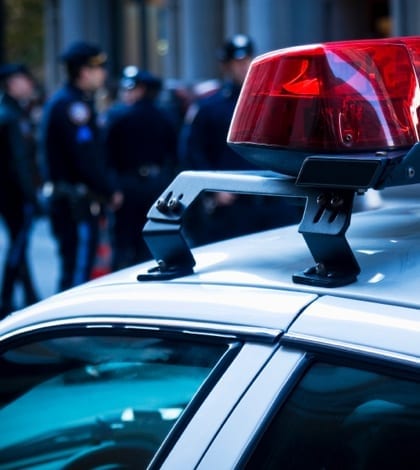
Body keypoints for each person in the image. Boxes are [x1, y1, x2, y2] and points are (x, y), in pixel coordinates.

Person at [181, 34, 303, 245]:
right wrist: (212, 189)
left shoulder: (274, 101)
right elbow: (193, 152)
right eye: (237, 63)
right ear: (227, 66)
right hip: (234, 206)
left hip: (275, 201)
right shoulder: (210, 107)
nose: (243, 67)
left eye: (247, 61)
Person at [40, 41, 123, 292]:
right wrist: (110, 191)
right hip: (75, 202)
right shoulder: (72, 106)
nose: (103, 74)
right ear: (84, 72)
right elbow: (85, 158)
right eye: (98, 68)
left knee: (76, 266)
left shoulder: (71, 101)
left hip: (73, 200)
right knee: (76, 273)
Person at [103, 66, 178, 269]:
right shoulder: (164, 116)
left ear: (141, 90)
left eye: (130, 90)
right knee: (150, 243)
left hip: (127, 186)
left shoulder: (117, 117)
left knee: (123, 242)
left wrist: (113, 187)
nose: (126, 94)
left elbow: (106, 156)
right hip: (156, 185)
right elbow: (175, 154)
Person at [0, 63, 40, 317]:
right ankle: (6, 299)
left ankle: (28, 294)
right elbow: (20, 162)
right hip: (15, 194)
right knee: (19, 244)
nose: (28, 84)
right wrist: (32, 195)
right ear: (12, 83)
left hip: (9, 192)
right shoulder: (11, 116)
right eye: (23, 80)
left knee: (19, 244)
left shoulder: (11, 112)